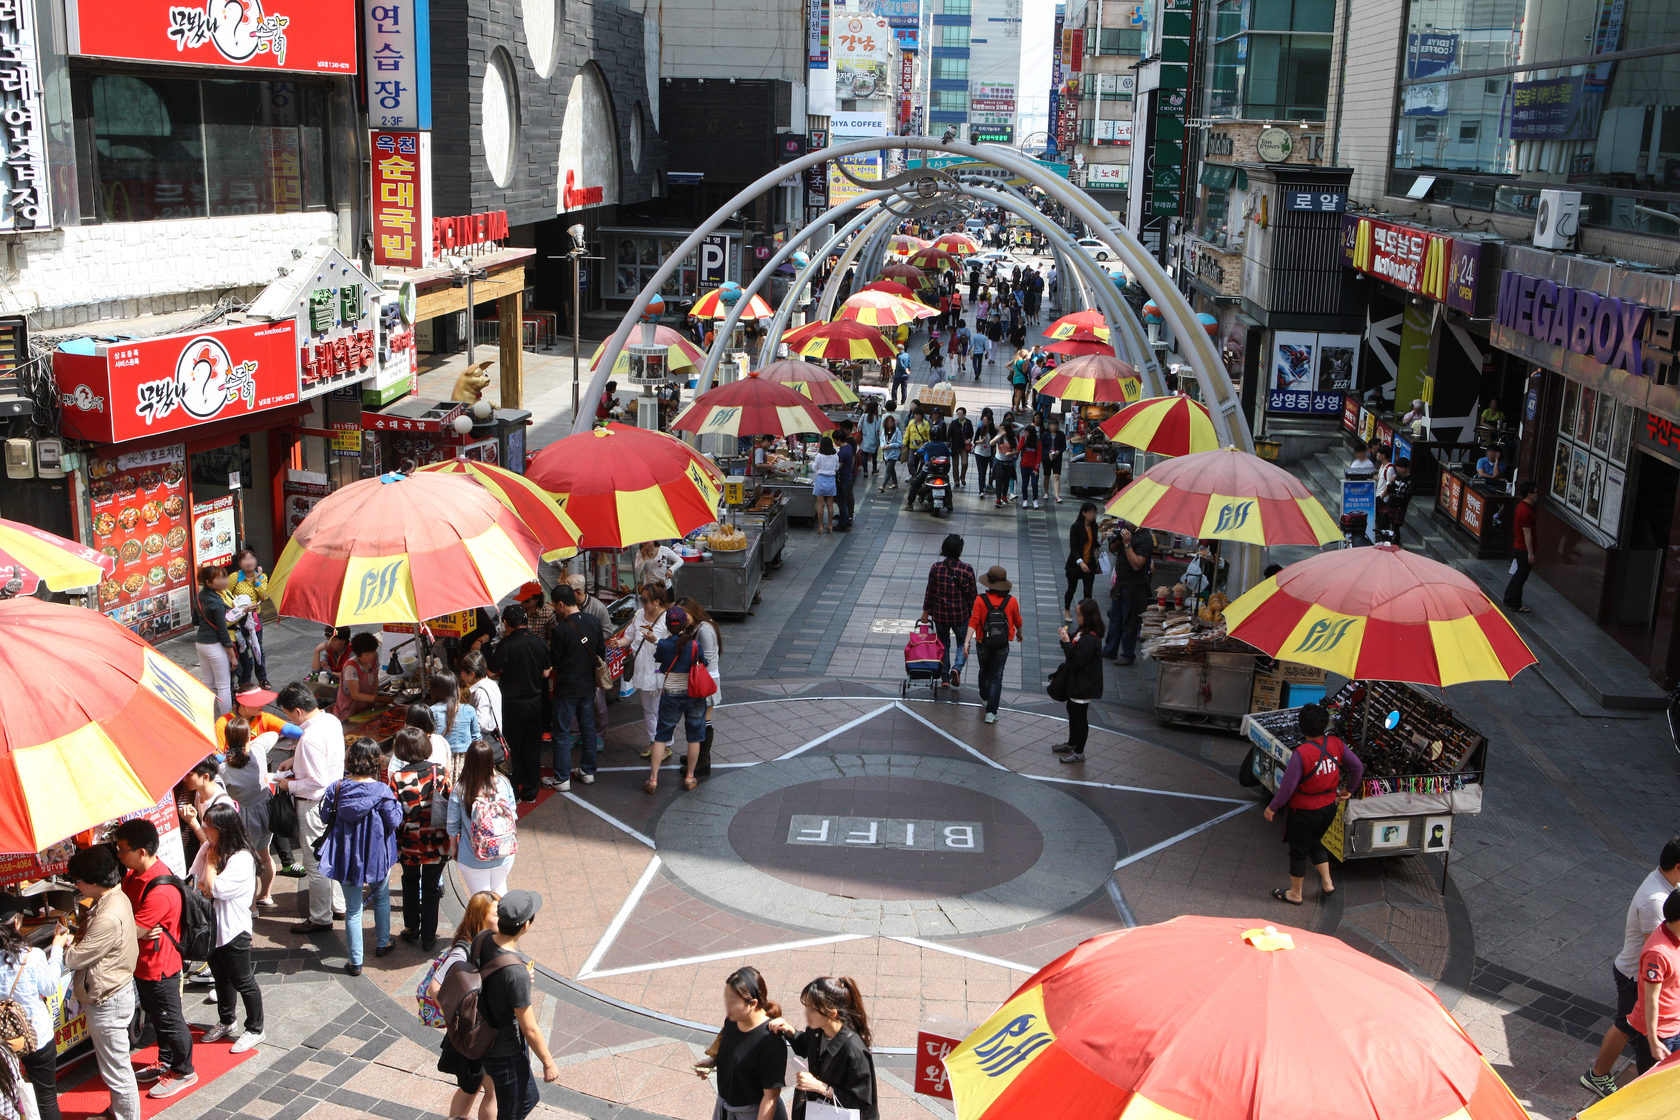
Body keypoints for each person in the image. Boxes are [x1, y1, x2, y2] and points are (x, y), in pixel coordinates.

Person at [1582, 837, 1680, 1097]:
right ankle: (1598, 1076)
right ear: (1678, 867)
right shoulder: (1656, 901)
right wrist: (1655, 1037)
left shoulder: (1666, 882)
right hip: (1634, 977)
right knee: (1628, 1025)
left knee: (1629, 1025)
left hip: (1638, 973)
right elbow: (1656, 956)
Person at [109, 818, 195, 1097]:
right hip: (142, 964)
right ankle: (166, 1062)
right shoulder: (134, 875)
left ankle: (184, 1071)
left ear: (141, 852)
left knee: (170, 1019)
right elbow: (130, 922)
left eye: (122, 849)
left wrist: (132, 928)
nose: (119, 854)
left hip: (160, 967)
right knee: (158, 1017)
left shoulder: (160, 889)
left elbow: (130, 929)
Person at [62, 847, 140, 1120]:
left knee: (116, 1070)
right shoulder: (113, 898)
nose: (76, 885)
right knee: (113, 1065)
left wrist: (64, 945)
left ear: (93, 882)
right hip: (112, 990)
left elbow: (75, 958)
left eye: (79, 880)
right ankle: (116, 1112)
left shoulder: (107, 915)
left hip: (108, 998)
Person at [1262, 703, 1366, 904]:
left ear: (1302, 727)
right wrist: (1349, 790)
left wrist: (1272, 807)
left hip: (1304, 811)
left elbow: (1287, 787)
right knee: (1317, 841)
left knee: (1299, 850)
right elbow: (1357, 766)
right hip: (1329, 807)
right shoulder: (1336, 744)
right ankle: (1327, 883)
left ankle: (1295, 893)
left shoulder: (1302, 754)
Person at [317, 737, 402, 975]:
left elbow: (325, 817)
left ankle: (356, 961)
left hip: (345, 855)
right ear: (376, 761)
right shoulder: (382, 790)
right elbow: (394, 821)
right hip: (377, 855)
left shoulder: (337, 788)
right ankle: (383, 943)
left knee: (353, 909)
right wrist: (398, 806)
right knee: (382, 897)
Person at [471, 890, 559, 1119]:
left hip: (482, 1034)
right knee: (517, 1108)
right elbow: (529, 1028)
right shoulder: (515, 972)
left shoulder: (481, 939)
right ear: (526, 926)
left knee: (525, 1100)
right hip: (505, 1050)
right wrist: (548, 1062)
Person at [190, 802, 265, 1053]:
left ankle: (255, 1029)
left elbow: (214, 889)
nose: (204, 829)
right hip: (211, 929)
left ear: (222, 829)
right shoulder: (206, 848)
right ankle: (226, 1020)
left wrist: (211, 865)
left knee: (242, 980)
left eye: (208, 826)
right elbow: (196, 882)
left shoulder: (241, 858)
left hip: (234, 929)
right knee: (221, 978)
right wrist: (207, 877)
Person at [275, 684, 348, 938]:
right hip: (333, 798)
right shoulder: (330, 721)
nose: (287, 718)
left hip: (313, 804)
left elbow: (315, 781)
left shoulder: (309, 738)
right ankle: (338, 905)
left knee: (315, 864)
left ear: (297, 711)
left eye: (286, 713)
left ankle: (320, 916)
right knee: (331, 855)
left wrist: (288, 784)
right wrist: (295, 760)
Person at [769, 978, 878, 1120]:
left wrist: (820, 1087)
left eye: (812, 1010)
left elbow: (861, 1103)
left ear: (832, 1014)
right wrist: (789, 1030)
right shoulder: (817, 1032)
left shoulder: (853, 1050)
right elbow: (805, 1045)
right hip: (821, 1110)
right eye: (806, 1007)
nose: (806, 1014)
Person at [433, 892, 501, 1120]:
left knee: (471, 1086)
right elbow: (435, 987)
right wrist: (460, 1018)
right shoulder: (463, 951)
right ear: (480, 916)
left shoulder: (486, 943)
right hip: (474, 1035)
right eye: (496, 913)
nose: (502, 918)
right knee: (493, 1091)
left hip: (477, 1033)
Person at [695, 967, 788, 1120]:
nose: (727, 1006)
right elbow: (735, 1053)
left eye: (733, 1001)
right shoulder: (733, 1021)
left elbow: (770, 1097)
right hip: (725, 1108)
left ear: (752, 1003)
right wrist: (713, 1061)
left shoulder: (771, 1040)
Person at [388, 726, 451, 952]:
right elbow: (449, 802)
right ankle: (429, 936)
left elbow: (393, 814)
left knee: (410, 881)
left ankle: (412, 926)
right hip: (437, 838)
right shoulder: (440, 772)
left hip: (410, 841)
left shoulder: (397, 778)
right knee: (432, 887)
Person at [0, 895, 63, 1120]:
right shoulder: (32, 956)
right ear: (17, 923)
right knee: (46, 1097)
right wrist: (57, 949)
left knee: (11, 1099)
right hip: (36, 1036)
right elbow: (49, 987)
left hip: (4, 1043)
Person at [646, 606, 710, 794]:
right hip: (693, 695)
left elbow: (659, 659)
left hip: (671, 694)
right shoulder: (694, 645)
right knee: (694, 737)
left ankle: (653, 779)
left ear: (667, 625)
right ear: (685, 623)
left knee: (661, 735)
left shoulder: (664, 645)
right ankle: (690, 777)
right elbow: (703, 663)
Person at [215, 718, 277, 910]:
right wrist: (255, 741)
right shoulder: (258, 751)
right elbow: (274, 734)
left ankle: (251, 908)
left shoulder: (224, 769)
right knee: (265, 856)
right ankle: (265, 894)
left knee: (248, 863)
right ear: (248, 736)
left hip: (244, 819)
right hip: (265, 812)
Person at [492, 604, 551, 803]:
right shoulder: (539, 642)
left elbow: (491, 672)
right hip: (535, 702)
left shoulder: (505, 645)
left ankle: (514, 791)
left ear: (506, 623)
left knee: (513, 748)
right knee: (532, 747)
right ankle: (530, 791)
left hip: (512, 704)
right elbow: (545, 673)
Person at [1617, 890, 1680, 1074]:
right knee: (1652, 1086)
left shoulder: (1673, 933)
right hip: (1658, 1034)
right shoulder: (1658, 953)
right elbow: (1651, 1000)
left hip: (1675, 1025)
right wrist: (1653, 1041)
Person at [548, 585, 604, 790]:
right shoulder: (594, 622)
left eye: (555, 605)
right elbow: (600, 653)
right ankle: (588, 771)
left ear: (561, 604)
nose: (555, 609)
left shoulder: (560, 630)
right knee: (588, 727)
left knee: (562, 731)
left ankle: (562, 777)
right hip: (588, 685)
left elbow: (555, 660)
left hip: (567, 687)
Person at [450, 739, 519, 895]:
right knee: (500, 890)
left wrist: (454, 848)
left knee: (481, 903)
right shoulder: (503, 783)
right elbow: (513, 814)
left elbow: (453, 825)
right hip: (504, 853)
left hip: (472, 856)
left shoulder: (460, 788)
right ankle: (502, 919)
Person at [964, 566, 1023, 725]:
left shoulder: (980, 600)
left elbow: (974, 621)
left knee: (984, 670)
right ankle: (991, 712)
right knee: (997, 676)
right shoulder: (1011, 601)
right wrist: (1019, 633)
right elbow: (1018, 621)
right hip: (1002, 644)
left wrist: (967, 641)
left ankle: (984, 696)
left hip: (983, 643)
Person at [620, 583, 673, 759]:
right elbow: (629, 637)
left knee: (659, 708)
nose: (641, 603)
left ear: (656, 601)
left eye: (645, 600)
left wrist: (655, 640)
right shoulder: (639, 615)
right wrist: (618, 643)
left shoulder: (667, 619)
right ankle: (654, 741)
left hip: (659, 671)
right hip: (642, 669)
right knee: (648, 708)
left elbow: (673, 646)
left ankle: (663, 744)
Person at [920, 534, 977, 686]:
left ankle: (945, 678)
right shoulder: (967, 570)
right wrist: (975, 614)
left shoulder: (936, 568)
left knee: (943, 643)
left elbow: (929, 592)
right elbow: (973, 596)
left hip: (940, 615)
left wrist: (926, 612)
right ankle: (957, 668)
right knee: (963, 643)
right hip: (961, 615)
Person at [1054, 600, 1105, 763]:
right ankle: (1072, 743)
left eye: (1080, 614)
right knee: (1072, 711)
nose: (1077, 617)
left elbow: (1077, 660)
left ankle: (1079, 751)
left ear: (1088, 616)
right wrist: (1066, 639)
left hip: (1083, 684)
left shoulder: (1090, 638)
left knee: (1079, 716)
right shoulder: (1083, 632)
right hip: (1076, 682)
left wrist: (1066, 643)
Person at [1104, 522, 1153, 665]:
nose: (1127, 521)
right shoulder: (1128, 531)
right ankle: (1110, 649)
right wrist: (1115, 538)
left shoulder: (1145, 539)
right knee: (1115, 617)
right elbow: (1114, 549)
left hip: (1134, 586)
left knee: (1129, 621)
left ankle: (1128, 654)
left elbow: (1137, 564)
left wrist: (1127, 543)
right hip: (1121, 583)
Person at [194, 564, 237, 718]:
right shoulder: (217, 602)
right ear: (209, 583)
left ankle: (203, 716)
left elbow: (195, 620)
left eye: (225, 576)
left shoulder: (199, 597)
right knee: (224, 686)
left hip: (200, 643)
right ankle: (226, 721)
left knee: (207, 682)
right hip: (214, 645)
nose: (225, 580)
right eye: (220, 578)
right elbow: (223, 631)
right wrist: (232, 656)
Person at [227, 549, 271, 689]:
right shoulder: (235, 577)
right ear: (239, 563)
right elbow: (227, 594)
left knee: (258, 647)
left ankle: (262, 678)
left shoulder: (262, 576)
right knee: (242, 649)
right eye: (245, 559)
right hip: (239, 619)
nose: (249, 562)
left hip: (254, 618)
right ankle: (244, 681)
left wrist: (257, 580)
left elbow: (264, 596)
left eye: (251, 558)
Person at [429, 669, 482, 765]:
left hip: (440, 763)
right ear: (456, 689)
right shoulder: (468, 710)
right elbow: (477, 738)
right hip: (467, 763)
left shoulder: (431, 712)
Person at [458, 651, 503, 761]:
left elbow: (481, 723)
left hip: (486, 742)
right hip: (496, 737)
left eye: (463, 672)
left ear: (472, 674)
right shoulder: (492, 684)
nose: (461, 675)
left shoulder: (480, 692)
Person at [1503, 481, 1538, 614]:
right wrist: (1530, 553)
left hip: (1518, 546)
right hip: (1523, 549)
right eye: (1535, 492)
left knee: (1518, 574)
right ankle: (1516, 604)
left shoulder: (1521, 507)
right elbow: (1527, 533)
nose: (1537, 495)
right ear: (1529, 494)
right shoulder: (1526, 511)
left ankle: (1508, 597)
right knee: (1521, 577)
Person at [334, 631, 383, 719]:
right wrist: (377, 699)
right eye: (373, 652)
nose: (375, 653)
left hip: (365, 708)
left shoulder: (374, 658)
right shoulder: (351, 667)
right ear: (364, 655)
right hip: (349, 711)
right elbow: (355, 695)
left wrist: (374, 700)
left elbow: (375, 679)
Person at [1063, 502, 1100, 619]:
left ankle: (1085, 615)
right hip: (1075, 564)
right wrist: (1080, 562)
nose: (1093, 515)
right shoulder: (1076, 527)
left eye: (1094, 513)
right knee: (1071, 589)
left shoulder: (1094, 527)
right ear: (1084, 513)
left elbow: (1094, 544)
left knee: (1088, 592)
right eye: (1091, 513)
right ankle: (1067, 609)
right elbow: (1073, 547)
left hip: (1089, 564)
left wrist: (1102, 540)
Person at [903, 424, 950, 511]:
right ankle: (949, 503)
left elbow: (918, 451)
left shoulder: (927, 445)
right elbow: (948, 453)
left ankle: (909, 503)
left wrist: (916, 453)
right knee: (947, 484)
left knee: (915, 484)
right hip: (942, 472)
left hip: (927, 470)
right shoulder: (944, 445)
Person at [811, 436, 840, 535]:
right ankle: (830, 525)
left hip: (820, 480)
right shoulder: (835, 456)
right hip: (831, 481)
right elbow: (837, 467)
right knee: (830, 505)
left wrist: (812, 464)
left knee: (820, 505)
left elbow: (814, 467)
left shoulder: (819, 455)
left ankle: (820, 526)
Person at [990, 422, 1018, 508]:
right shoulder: (999, 437)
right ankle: (998, 499)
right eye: (1001, 429)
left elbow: (1018, 450)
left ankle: (1004, 495)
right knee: (998, 481)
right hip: (999, 461)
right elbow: (991, 443)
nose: (1001, 431)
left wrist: (1011, 453)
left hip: (1009, 462)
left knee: (1006, 481)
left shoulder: (1013, 439)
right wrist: (999, 435)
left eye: (1003, 429)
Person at [834, 425, 857, 530]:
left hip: (843, 479)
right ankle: (846, 519)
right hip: (848, 476)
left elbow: (838, 467)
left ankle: (843, 523)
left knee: (842, 502)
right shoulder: (849, 447)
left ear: (838, 440)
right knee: (844, 501)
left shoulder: (843, 452)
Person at [1043, 415, 1067, 504]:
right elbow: (1042, 447)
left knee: (1056, 476)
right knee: (1046, 475)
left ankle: (1057, 495)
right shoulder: (1045, 435)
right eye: (1052, 425)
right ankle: (1046, 492)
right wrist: (1047, 453)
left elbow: (1063, 446)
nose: (1053, 427)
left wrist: (1058, 452)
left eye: (1055, 425)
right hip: (1047, 458)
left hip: (1057, 458)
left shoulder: (1061, 435)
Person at [948, 407, 974, 490]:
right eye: (958, 414)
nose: (959, 415)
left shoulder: (968, 423)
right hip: (955, 447)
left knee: (964, 463)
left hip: (964, 446)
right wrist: (949, 443)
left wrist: (969, 439)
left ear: (964, 414)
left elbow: (971, 433)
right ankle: (956, 481)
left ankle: (962, 477)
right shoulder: (954, 423)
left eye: (960, 414)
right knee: (955, 465)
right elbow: (949, 435)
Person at [1018, 423, 1042, 509]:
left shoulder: (1037, 442)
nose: (1025, 433)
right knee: (1025, 483)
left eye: (1026, 432)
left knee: (1034, 483)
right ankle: (1025, 500)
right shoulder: (1024, 439)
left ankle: (1035, 499)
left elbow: (1039, 456)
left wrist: (1036, 468)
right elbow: (1019, 448)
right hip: (1024, 465)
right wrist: (1023, 438)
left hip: (1033, 466)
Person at [973, 410, 997, 495]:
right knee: (981, 471)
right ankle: (981, 490)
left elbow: (994, 444)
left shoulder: (993, 431)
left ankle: (986, 485)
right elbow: (975, 441)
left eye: (986, 420)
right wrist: (981, 441)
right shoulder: (980, 429)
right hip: (979, 452)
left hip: (988, 453)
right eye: (983, 420)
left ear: (990, 421)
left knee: (987, 470)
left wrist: (994, 454)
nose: (984, 422)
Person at [857, 404, 882, 479]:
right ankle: (874, 469)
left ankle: (865, 471)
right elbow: (879, 430)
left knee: (864, 455)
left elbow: (859, 426)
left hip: (865, 439)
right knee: (874, 456)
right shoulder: (878, 418)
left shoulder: (864, 416)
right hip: (874, 440)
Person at [880, 415, 902, 491]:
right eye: (888, 422)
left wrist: (890, 446)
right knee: (891, 469)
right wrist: (883, 446)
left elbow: (899, 443)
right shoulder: (884, 431)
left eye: (891, 422)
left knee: (888, 470)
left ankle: (883, 486)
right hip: (886, 453)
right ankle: (895, 483)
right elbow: (882, 440)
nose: (889, 423)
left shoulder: (897, 431)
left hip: (894, 454)